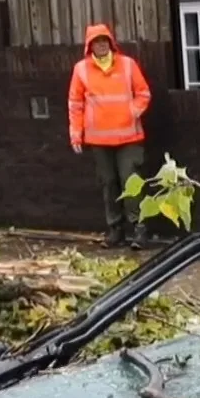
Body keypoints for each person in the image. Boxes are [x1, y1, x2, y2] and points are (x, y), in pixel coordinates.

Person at [68, 23, 152, 247]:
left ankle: (140, 229)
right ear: (90, 46)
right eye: (97, 41)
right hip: (99, 140)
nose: (102, 44)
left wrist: (132, 111)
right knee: (109, 184)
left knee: (131, 182)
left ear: (111, 42)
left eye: (105, 40)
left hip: (129, 138)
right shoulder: (81, 70)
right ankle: (115, 230)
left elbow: (143, 93)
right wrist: (76, 133)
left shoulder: (127, 64)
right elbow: (75, 104)